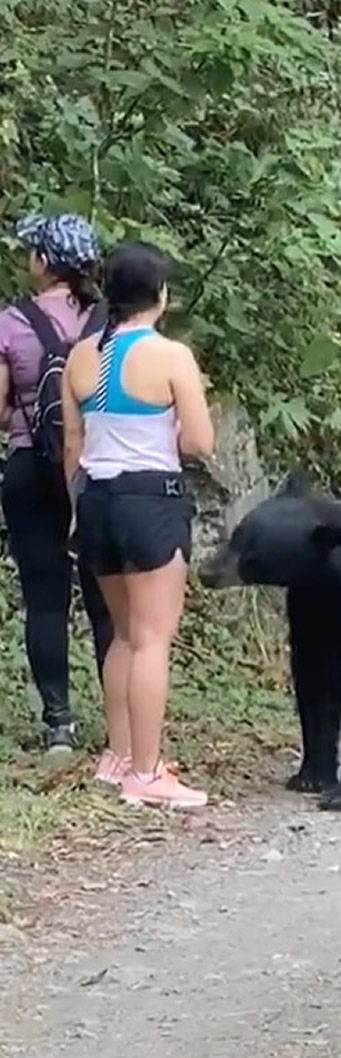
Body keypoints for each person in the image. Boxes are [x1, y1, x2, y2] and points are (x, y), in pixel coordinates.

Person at [62, 239, 215, 809]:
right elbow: (200, 441)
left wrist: (77, 507)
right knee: (153, 639)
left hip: (96, 502)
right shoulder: (171, 357)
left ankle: (120, 757)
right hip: (151, 501)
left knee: (124, 635)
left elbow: (73, 445)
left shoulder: (81, 357)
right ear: (161, 296)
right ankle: (147, 775)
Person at [0, 214, 113, 757]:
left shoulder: (12, 322)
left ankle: (59, 727)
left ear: (44, 262)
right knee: (106, 600)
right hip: (99, 470)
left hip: (31, 467)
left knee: (45, 600)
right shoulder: (109, 321)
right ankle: (123, 725)